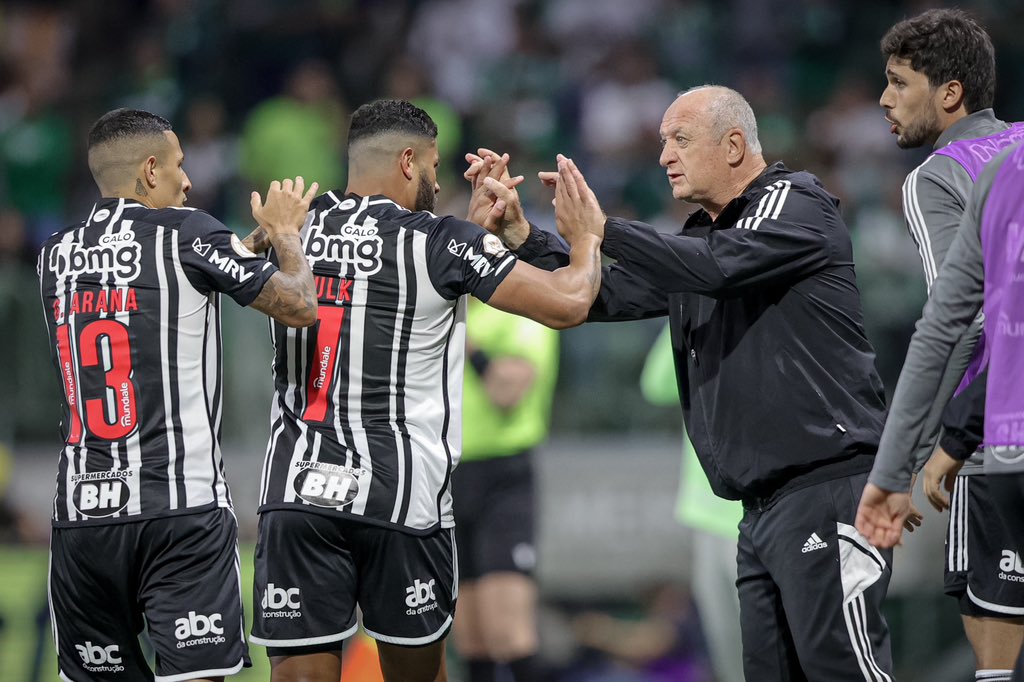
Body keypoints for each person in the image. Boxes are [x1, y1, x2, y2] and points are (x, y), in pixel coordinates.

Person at [471, 84, 894, 681]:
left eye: (681, 139)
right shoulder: (704, 239)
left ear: (734, 145)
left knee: (843, 673)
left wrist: (602, 230)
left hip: (825, 490)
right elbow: (604, 294)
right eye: (663, 140)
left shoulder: (795, 201)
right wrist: (522, 238)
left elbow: (717, 268)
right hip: (758, 511)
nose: (665, 154)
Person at [248, 98, 604, 682]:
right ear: (408, 162)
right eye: (435, 167)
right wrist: (585, 237)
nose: (438, 182)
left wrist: (473, 239)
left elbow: (227, 265)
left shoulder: (292, 228)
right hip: (401, 499)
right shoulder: (439, 242)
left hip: (299, 493)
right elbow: (569, 302)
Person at [38, 108, 318, 682]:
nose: (187, 182)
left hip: (82, 522)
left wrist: (245, 245)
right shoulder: (189, 232)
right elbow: (299, 305)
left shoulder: (55, 256)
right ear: (148, 170)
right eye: (178, 166)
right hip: (179, 514)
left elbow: (155, 283)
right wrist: (285, 236)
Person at [866, 9, 1024, 679]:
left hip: (995, 437)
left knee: (996, 657)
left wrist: (938, 447)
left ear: (949, 93)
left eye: (900, 83)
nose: (884, 99)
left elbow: (960, 324)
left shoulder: (936, 177)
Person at [451, 300, 558, 682]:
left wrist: (467, 344)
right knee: (471, 640)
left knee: (509, 634)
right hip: (448, 478)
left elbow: (506, 390)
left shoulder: (520, 308)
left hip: (502, 479)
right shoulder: (449, 307)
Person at [640, 324, 744, 682]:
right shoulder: (694, 319)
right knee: (728, 657)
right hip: (706, 517)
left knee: (768, 652)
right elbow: (655, 386)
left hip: (757, 518)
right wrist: (683, 308)